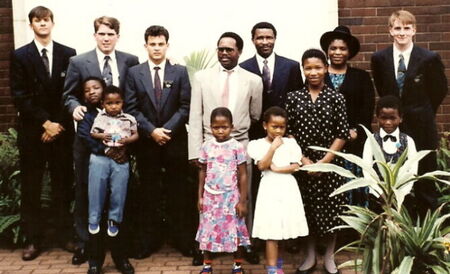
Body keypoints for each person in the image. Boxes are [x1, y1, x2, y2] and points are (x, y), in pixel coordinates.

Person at [63, 16, 139, 263]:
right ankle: (86, 244)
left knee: (120, 193)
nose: (106, 38)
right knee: (86, 190)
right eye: (101, 34)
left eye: (111, 34)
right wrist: (74, 107)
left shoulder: (130, 60)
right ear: (95, 35)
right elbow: (69, 94)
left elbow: (136, 92)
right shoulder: (78, 61)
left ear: (118, 35)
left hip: (121, 141)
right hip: (89, 137)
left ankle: (120, 246)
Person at [188, 31, 263, 264]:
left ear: (239, 51)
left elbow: (256, 114)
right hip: (209, 147)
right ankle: (207, 245)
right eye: (220, 49)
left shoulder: (253, 80)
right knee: (209, 199)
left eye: (229, 49)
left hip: (239, 144)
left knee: (242, 195)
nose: (224, 53)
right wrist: (195, 151)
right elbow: (196, 113)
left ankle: (243, 244)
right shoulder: (202, 77)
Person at [10, 6, 76, 261]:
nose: (42, 24)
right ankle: (33, 239)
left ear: (52, 22)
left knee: (62, 186)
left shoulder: (67, 54)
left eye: (46, 20)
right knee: (32, 187)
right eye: (37, 21)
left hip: (61, 133)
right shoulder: (20, 55)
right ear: (32, 25)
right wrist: (44, 123)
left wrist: (57, 124)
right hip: (33, 133)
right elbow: (20, 96)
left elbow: (70, 93)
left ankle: (63, 235)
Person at [124, 25, 196, 261]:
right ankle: (148, 240)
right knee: (149, 193)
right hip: (147, 143)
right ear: (145, 46)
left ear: (167, 45)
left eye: (160, 44)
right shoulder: (135, 73)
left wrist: (167, 130)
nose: (156, 48)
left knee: (179, 192)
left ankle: (182, 239)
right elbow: (131, 107)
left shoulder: (180, 72)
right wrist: (152, 131)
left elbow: (186, 106)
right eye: (152, 44)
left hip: (174, 142)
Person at [371, 10, 448, 218]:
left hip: (422, 127)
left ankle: (426, 233)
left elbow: (439, 90)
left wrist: (422, 111)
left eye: (406, 28)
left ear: (414, 30)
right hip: (393, 127)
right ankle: (396, 228)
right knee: (394, 178)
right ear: (390, 30)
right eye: (397, 28)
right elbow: (383, 88)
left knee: (424, 178)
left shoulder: (429, 58)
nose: (402, 32)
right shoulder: (380, 58)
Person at [240, 23, 304, 253]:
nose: (265, 41)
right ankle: (260, 236)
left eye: (269, 37)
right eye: (260, 38)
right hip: (258, 135)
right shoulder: (244, 67)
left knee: (285, 188)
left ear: (275, 38)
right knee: (259, 186)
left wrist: (290, 133)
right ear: (253, 39)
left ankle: (289, 236)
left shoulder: (292, 66)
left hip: (284, 133)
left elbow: (297, 101)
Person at [285, 49, 349, 274]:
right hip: (303, 165)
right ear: (303, 69)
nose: (313, 72)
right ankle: (310, 256)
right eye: (308, 68)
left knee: (332, 212)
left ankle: (330, 257)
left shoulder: (336, 97)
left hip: (330, 165)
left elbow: (341, 134)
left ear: (326, 68)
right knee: (307, 211)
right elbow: (289, 132)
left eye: (318, 67)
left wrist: (324, 162)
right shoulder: (293, 97)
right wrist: (305, 161)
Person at [77, 79, 134, 274]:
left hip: (121, 163)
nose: (92, 92)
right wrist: (109, 152)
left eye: (96, 88)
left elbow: (132, 134)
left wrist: (125, 150)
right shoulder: (88, 115)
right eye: (87, 90)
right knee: (95, 211)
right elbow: (86, 137)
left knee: (118, 209)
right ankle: (95, 260)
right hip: (99, 162)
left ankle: (120, 257)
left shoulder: (125, 115)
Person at [248, 106, 309, 274]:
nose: (278, 130)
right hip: (270, 189)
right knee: (271, 231)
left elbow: (296, 166)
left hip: (287, 188)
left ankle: (279, 266)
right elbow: (262, 165)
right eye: (274, 126)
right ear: (265, 125)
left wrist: (276, 169)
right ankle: (272, 269)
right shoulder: (257, 144)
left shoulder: (291, 143)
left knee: (283, 230)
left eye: (282, 127)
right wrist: (273, 148)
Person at [320, 25, 375, 206]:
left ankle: (353, 230)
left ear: (349, 52)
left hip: (353, 143)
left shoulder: (361, 77)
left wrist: (356, 130)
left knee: (352, 185)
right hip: (326, 143)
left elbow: (367, 109)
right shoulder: (318, 75)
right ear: (327, 51)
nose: (337, 52)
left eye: (342, 48)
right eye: (333, 48)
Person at [196, 107, 250, 274]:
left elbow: (243, 175)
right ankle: (207, 265)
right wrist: (200, 197)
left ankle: (237, 265)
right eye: (216, 127)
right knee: (208, 230)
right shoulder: (206, 146)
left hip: (230, 197)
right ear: (210, 127)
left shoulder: (237, 147)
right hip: (211, 196)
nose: (220, 131)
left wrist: (242, 201)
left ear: (232, 127)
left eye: (224, 127)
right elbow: (202, 171)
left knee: (235, 230)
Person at [89, 85, 138, 236]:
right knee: (97, 188)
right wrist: (102, 136)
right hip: (103, 156)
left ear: (122, 102)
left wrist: (128, 140)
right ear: (103, 104)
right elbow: (93, 133)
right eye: (109, 103)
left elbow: (136, 135)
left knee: (119, 189)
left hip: (120, 156)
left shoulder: (129, 119)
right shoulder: (100, 118)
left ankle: (114, 218)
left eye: (117, 103)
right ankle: (94, 218)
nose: (114, 106)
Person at [362, 95, 417, 208]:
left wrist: (400, 194)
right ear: (377, 117)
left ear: (400, 118)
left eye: (392, 118)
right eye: (383, 118)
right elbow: (366, 169)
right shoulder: (371, 140)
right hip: (377, 198)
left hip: (403, 198)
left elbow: (412, 170)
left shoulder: (408, 141)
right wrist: (379, 193)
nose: (388, 122)